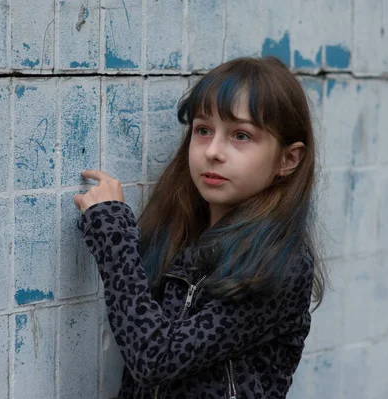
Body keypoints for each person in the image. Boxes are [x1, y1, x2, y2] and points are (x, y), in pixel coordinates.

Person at [74, 56, 326, 398]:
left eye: (240, 135)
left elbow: (155, 358)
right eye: (203, 130)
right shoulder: (175, 235)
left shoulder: (280, 265)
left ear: (288, 159)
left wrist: (112, 235)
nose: (213, 151)